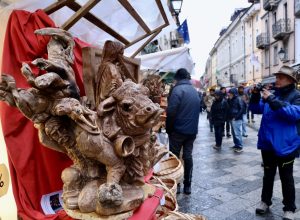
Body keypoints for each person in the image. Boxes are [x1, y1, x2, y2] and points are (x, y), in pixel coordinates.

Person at [249, 65, 300, 220]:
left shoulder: (296, 95)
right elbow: (255, 108)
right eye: (276, 76)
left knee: (287, 178)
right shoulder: (273, 94)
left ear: (290, 80)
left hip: (286, 145)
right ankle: (265, 201)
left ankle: (289, 208)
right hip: (268, 144)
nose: (276, 79)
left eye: (280, 77)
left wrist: (271, 99)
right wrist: (256, 95)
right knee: (268, 175)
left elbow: (293, 114)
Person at [165, 68, 200, 195]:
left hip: (178, 130)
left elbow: (171, 112)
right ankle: (187, 185)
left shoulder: (177, 90)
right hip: (191, 131)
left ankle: (177, 184)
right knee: (188, 156)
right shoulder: (194, 91)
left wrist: (169, 129)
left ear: (177, 78)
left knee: (174, 157)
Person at [227, 87, 245, 153]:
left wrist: (236, 117)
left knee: (237, 133)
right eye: (229, 93)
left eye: (231, 93)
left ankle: (240, 146)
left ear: (234, 93)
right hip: (232, 118)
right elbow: (229, 107)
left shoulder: (238, 99)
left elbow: (242, 109)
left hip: (236, 119)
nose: (229, 94)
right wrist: (228, 99)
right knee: (234, 133)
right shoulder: (231, 99)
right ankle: (236, 145)